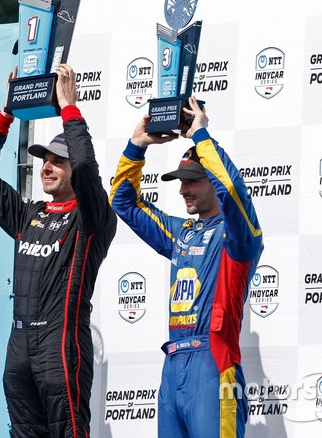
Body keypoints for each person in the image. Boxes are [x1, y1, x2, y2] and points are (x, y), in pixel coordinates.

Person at [0, 64, 117, 438]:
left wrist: (69, 108)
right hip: (19, 348)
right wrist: (8, 110)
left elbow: (85, 167)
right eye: (44, 160)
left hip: (59, 343)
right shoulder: (27, 214)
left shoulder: (91, 218)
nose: (47, 166)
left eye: (57, 161)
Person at [109, 97, 263, 438]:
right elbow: (122, 201)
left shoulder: (237, 236)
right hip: (172, 365)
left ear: (211, 181)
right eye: (180, 181)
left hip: (214, 365)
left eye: (192, 180)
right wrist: (137, 146)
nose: (182, 190)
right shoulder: (181, 232)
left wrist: (201, 136)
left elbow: (234, 189)